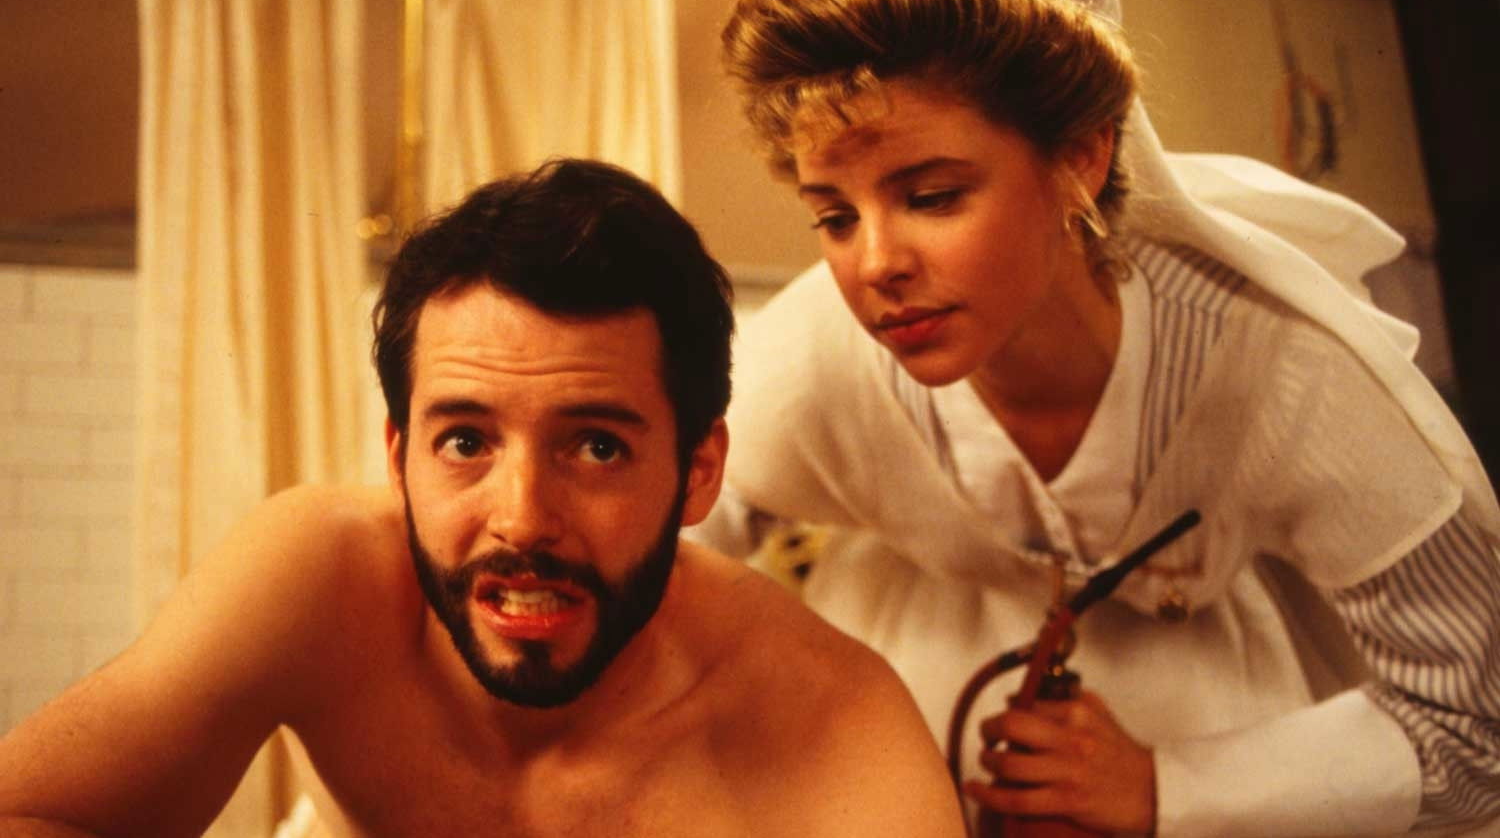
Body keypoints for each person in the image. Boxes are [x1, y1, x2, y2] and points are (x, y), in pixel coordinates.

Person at [700, 0, 1500, 835]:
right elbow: (662, 532)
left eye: (931, 196)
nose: (874, 264)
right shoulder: (819, 346)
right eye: (834, 216)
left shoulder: (1282, 362)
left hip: (1222, 708)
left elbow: (1479, 727)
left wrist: (1167, 788)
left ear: (1080, 159)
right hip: (905, 701)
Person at [0, 159, 967, 838]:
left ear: (699, 471)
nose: (523, 518)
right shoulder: (318, 582)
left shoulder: (836, 735)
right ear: (399, 458)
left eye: (597, 446)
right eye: (465, 441)